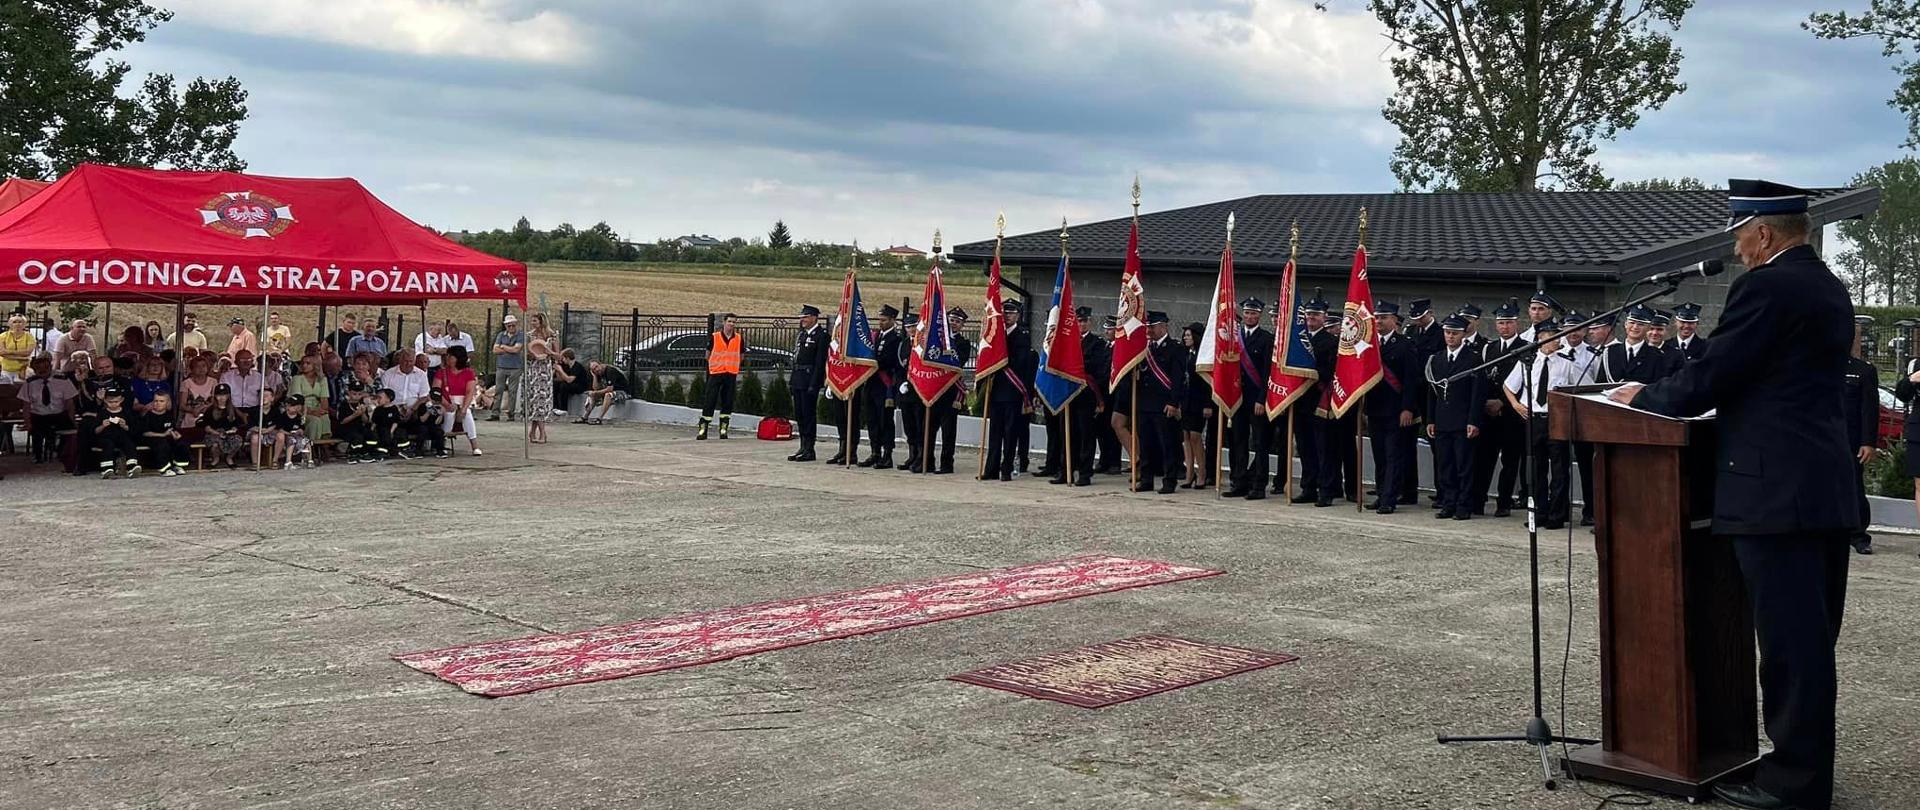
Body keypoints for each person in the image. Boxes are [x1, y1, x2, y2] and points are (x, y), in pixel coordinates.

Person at [1608, 180, 1855, 810]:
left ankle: (1795, 786)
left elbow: (1718, 369)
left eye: (1740, 234)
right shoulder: (1826, 284)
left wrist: (1648, 398)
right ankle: (1802, 769)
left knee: (1790, 646)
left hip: (1774, 494)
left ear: (1765, 232)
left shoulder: (1769, 286)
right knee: (1808, 641)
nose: (1738, 247)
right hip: (1817, 487)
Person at [1503, 321, 1574, 529]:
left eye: (1557, 336)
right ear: (1540, 338)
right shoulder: (1528, 361)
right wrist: (1516, 405)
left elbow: (1578, 388)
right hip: (1534, 419)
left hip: (1556, 419)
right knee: (1536, 468)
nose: (1556, 340)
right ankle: (1539, 512)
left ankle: (1557, 514)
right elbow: (1509, 385)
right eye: (1550, 336)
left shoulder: (1566, 363)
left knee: (1559, 469)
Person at [1472, 298, 1528, 518]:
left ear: (1517, 324)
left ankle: (1504, 502)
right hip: (1489, 414)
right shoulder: (1490, 348)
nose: (1504, 326)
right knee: (1484, 459)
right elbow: (1484, 380)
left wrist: (1503, 403)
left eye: (1509, 322)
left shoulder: (1525, 348)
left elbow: (1526, 383)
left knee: (1510, 461)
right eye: (1501, 323)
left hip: (1511, 414)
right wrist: (1486, 402)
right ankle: (1478, 500)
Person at [1425, 316, 1485, 520]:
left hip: (1462, 420)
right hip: (1443, 420)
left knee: (1464, 466)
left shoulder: (1472, 358)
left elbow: (1477, 394)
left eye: (1455, 333)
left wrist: (1473, 420)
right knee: (1445, 465)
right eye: (1447, 332)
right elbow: (1432, 392)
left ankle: (1464, 505)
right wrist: (1431, 419)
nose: (1450, 337)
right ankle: (1448, 502)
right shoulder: (1437, 358)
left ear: (1463, 334)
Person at [1366, 301, 1419, 514]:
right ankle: (1381, 494)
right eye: (1376, 317)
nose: (1379, 321)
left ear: (1394, 320)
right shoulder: (1369, 345)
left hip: (1396, 410)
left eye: (1383, 317)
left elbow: (1411, 381)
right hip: (1374, 408)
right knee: (1379, 456)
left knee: (1392, 455)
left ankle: (1389, 498)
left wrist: (1408, 408)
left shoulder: (1404, 345)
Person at [1223, 299, 1274, 500]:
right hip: (1237, 398)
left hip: (1256, 400)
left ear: (1259, 315)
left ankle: (1259, 485)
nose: (1250, 317)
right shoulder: (1234, 338)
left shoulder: (1265, 339)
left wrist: (1262, 399)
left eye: (1254, 313)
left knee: (1260, 443)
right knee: (1238, 441)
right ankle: (1239, 481)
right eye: (1247, 313)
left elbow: (1266, 373)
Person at [981, 300, 1034, 482]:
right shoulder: (997, 336)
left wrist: (1001, 358)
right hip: (996, 391)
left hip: (1013, 390)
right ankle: (991, 469)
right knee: (995, 432)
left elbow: (1020, 363)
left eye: (1011, 313)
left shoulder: (1022, 336)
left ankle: (1006, 468)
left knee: (1011, 433)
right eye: (1005, 313)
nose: (1007, 316)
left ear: (1018, 315)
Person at [1134, 312, 1186, 495]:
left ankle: (1169, 480)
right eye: (1148, 327)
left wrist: (1174, 402)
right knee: (1146, 445)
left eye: (1152, 327)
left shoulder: (1175, 348)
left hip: (1164, 405)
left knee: (1167, 445)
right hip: (1145, 404)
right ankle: (1146, 479)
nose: (1149, 330)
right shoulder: (1144, 349)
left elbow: (1178, 378)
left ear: (1163, 327)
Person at [1844, 317, 1880, 556]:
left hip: (1851, 441)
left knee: (1854, 488)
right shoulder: (1817, 368)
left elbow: (1869, 409)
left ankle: (1859, 536)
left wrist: (1868, 442)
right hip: (1820, 440)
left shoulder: (1863, 370)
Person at [929, 307, 975, 475]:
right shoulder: (937, 340)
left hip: (951, 391)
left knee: (948, 432)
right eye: (951, 320)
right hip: (935, 389)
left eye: (957, 322)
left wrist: (949, 345)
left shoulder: (963, 343)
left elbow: (959, 361)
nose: (953, 324)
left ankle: (947, 464)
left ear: (962, 325)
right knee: (930, 428)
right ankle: (927, 461)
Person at [788, 305, 828, 462]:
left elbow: (819, 363)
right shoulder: (802, 335)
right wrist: (792, 381)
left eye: (805, 317)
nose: (802, 320)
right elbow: (796, 359)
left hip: (809, 379)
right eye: (801, 318)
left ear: (814, 318)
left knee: (809, 415)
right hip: (798, 379)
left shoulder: (821, 336)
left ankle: (810, 449)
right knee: (800, 415)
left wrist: (814, 383)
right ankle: (803, 446)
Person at [21, 356, 77, 463]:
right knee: (36, 429)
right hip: (38, 416)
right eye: (39, 368)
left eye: (46, 367)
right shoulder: (29, 383)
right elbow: (26, 405)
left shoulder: (63, 380)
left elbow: (69, 403)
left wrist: (72, 419)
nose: (43, 371)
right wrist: (27, 423)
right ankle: (37, 455)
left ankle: (62, 452)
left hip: (58, 414)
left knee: (69, 429)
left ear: (51, 367)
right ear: (34, 369)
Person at [699, 313, 744, 441]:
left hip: (730, 373)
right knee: (710, 400)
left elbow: (741, 355)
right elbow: (707, 355)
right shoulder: (715, 337)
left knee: (728, 401)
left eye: (734, 322)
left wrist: (733, 364)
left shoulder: (739, 338)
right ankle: (703, 428)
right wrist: (716, 364)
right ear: (724, 322)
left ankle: (723, 428)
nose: (732, 324)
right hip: (716, 373)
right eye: (729, 321)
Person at [1179, 323, 1212, 488]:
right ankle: (1189, 472)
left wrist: (1208, 404)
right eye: (1185, 335)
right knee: (1185, 436)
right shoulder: (1185, 354)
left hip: (1199, 402)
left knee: (1195, 436)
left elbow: (1207, 383)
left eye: (1189, 335)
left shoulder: (1203, 356)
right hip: (1185, 401)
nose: (1185, 337)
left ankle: (1202, 473)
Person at [1599, 305, 1666, 385]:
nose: (1635, 327)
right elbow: (1600, 383)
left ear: (1648, 328)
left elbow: (1658, 385)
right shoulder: (1609, 352)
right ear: (1626, 324)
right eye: (1632, 323)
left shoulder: (1656, 355)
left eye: (1640, 324)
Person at [523, 339, 572, 445]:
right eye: (532, 320)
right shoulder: (529, 335)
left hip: (544, 371)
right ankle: (533, 431)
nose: (533, 322)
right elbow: (525, 355)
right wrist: (532, 354)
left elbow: (558, 357)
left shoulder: (551, 336)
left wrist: (549, 351)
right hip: (533, 370)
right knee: (535, 403)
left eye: (535, 320)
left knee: (541, 403)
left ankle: (542, 433)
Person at [86, 385, 139, 478]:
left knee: (129, 443)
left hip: (122, 436)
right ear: (105, 400)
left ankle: (132, 467)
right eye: (110, 402)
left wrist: (124, 426)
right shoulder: (102, 413)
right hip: (106, 437)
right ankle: (107, 469)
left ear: (121, 400)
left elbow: (133, 430)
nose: (113, 404)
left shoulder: (126, 412)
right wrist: (103, 426)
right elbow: (95, 431)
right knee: (108, 444)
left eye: (116, 401)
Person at [220, 349, 281, 427]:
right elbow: (223, 397)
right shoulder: (226, 376)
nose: (246, 362)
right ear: (235, 362)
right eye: (242, 359)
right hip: (231, 410)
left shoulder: (259, 377)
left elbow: (267, 394)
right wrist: (238, 412)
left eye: (249, 359)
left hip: (254, 412)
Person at [136, 392, 191, 476]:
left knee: (182, 442)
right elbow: (145, 433)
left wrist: (176, 434)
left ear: (167, 403)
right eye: (156, 401)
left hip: (166, 437)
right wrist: (163, 435)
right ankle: (164, 469)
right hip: (152, 439)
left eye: (161, 401)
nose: (158, 403)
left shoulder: (169, 415)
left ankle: (177, 466)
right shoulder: (147, 416)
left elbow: (172, 428)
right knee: (162, 444)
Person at [486, 315, 524, 422]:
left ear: (516, 325)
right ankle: (495, 413)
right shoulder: (500, 335)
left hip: (515, 367)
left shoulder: (520, 335)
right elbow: (495, 350)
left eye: (513, 325)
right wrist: (509, 349)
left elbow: (516, 350)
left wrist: (503, 347)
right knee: (498, 390)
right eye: (509, 326)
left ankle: (511, 414)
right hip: (501, 366)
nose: (511, 327)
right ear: (506, 326)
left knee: (512, 391)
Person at [200, 384, 247, 469]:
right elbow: (207, 427)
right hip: (214, 434)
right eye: (219, 395)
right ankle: (215, 459)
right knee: (215, 444)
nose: (221, 398)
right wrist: (217, 433)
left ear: (228, 396)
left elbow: (236, 425)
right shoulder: (210, 410)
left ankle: (229, 458)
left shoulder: (232, 409)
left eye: (224, 395)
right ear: (215, 396)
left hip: (228, 434)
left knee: (238, 440)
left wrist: (233, 430)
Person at [288, 355, 333, 443]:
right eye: (303, 363)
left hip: (317, 407)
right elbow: (296, 402)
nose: (304, 365)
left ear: (315, 365)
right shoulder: (297, 379)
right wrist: (311, 412)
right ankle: (311, 445)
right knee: (314, 420)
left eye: (308, 363)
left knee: (325, 418)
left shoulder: (322, 379)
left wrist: (322, 410)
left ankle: (323, 444)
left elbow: (324, 399)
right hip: (301, 410)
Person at [580, 360, 628, 425]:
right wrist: (594, 376)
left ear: (601, 364)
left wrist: (595, 393)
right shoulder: (598, 373)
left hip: (622, 392)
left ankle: (599, 418)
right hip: (611, 392)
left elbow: (609, 389)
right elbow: (595, 388)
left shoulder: (609, 371)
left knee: (608, 395)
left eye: (596, 367)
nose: (596, 370)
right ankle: (584, 417)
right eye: (593, 369)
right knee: (593, 395)